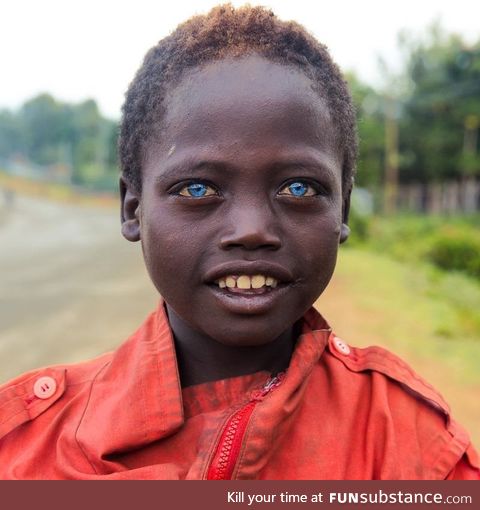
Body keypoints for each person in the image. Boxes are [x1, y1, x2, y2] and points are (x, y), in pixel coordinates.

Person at [0, 4, 478, 480]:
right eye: (197, 189)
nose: (252, 229)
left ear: (343, 211)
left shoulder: (410, 448)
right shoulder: (26, 450)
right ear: (133, 208)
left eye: (298, 188)